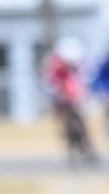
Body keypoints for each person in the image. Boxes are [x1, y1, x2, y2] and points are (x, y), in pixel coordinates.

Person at [40, 36, 96, 164]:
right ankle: (68, 146)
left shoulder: (78, 64)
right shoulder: (52, 64)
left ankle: (87, 148)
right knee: (63, 121)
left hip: (73, 95)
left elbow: (82, 80)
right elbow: (48, 82)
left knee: (81, 119)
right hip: (59, 96)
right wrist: (56, 93)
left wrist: (83, 95)